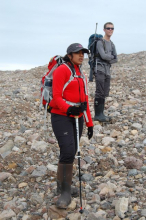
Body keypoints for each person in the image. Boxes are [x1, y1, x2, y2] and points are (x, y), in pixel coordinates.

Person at [49, 43, 94, 209]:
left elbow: (85, 101)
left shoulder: (81, 74)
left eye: (83, 53)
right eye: (78, 53)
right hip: (61, 116)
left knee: (71, 151)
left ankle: (61, 185)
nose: (81, 56)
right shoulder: (62, 70)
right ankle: (65, 193)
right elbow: (56, 96)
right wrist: (69, 109)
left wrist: (90, 123)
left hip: (77, 117)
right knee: (68, 151)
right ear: (70, 55)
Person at [94, 22, 118, 122]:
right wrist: (110, 57)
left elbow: (116, 58)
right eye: (108, 28)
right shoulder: (100, 42)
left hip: (107, 70)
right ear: (104, 30)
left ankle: (101, 113)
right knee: (99, 91)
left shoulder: (112, 44)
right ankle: (98, 115)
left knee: (104, 92)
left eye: (112, 28)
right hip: (99, 69)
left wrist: (109, 58)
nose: (110, 30)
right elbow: (103, 56)